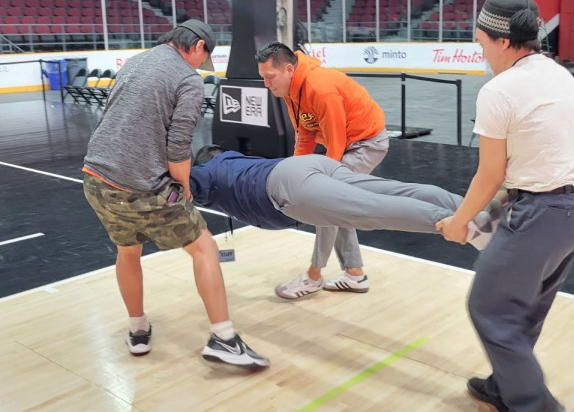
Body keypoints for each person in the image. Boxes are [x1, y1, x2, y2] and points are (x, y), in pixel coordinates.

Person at [436, 0, 574, 412]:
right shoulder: (557, 72)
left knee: (488, 307)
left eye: (481, 42)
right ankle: (504, 386)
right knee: (525, 308)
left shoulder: (500, 89)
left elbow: (489, 173)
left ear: (503, 42)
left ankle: (533, 406)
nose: (481, 52)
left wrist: (459, 222)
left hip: (543, 214)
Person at [82, 20, 269, 370]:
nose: (200, 66)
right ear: (197, 46)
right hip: (142, 187)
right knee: (204, 246)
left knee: (127, 251)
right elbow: (179, 145)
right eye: (204, 58)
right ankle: (225, 339)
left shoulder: (137, 61)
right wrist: (183, 188)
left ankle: (138, 331)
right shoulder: (187, 79)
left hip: (96, 178)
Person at [188, 145, 503, 300]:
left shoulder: (205, 175)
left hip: (286, 189)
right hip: (311, 165)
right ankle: (478, 213)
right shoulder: (228, 159)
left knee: (373, 209)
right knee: (393, 189)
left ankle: (465, 226)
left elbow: (178, 179)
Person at [255, 42, 389, 299]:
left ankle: (314, 276)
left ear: (288, 69)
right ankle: (355, 273)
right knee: (336, 206)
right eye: (263, 78)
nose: (266, 84)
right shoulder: (292, 92)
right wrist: (295, 174)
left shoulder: (320, 87)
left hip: (366, 143)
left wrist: (321, 184)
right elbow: (305, 134)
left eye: (269, 77)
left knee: (326, 202)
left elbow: (336, 140)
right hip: (347, 143)